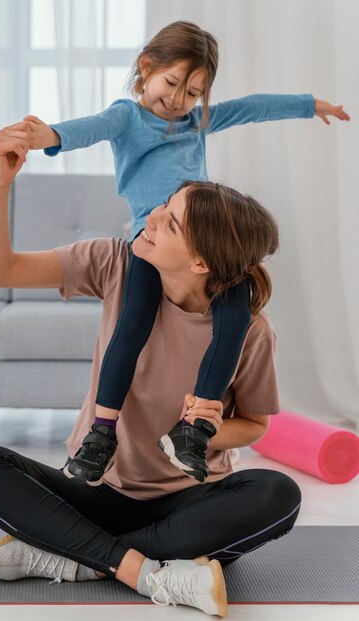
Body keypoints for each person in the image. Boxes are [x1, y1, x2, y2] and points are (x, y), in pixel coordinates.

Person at [0, 122, 302, 617]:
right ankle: (145, 569)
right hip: (96, 489)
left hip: (187, 502)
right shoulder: (113, 263)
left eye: (171, 223)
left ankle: (74, 553)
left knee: (280, 494)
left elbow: (255, 426)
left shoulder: (252, 330)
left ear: (201, 262)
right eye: (164, 206)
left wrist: (207, 433)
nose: (152, 218)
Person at [24, 20, 350, 487]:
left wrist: (309, 105)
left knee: (235, 321)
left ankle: (193, 429)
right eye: (172, 83)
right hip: (152, 246)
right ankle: (101, 433)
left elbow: (253, 107)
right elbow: (89, 129)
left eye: (193, 92)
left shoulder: (197, 121)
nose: (178, 99)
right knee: (132, 325)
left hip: (204, 250)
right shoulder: (127, 117)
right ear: (146, 69)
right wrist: (48, 135)